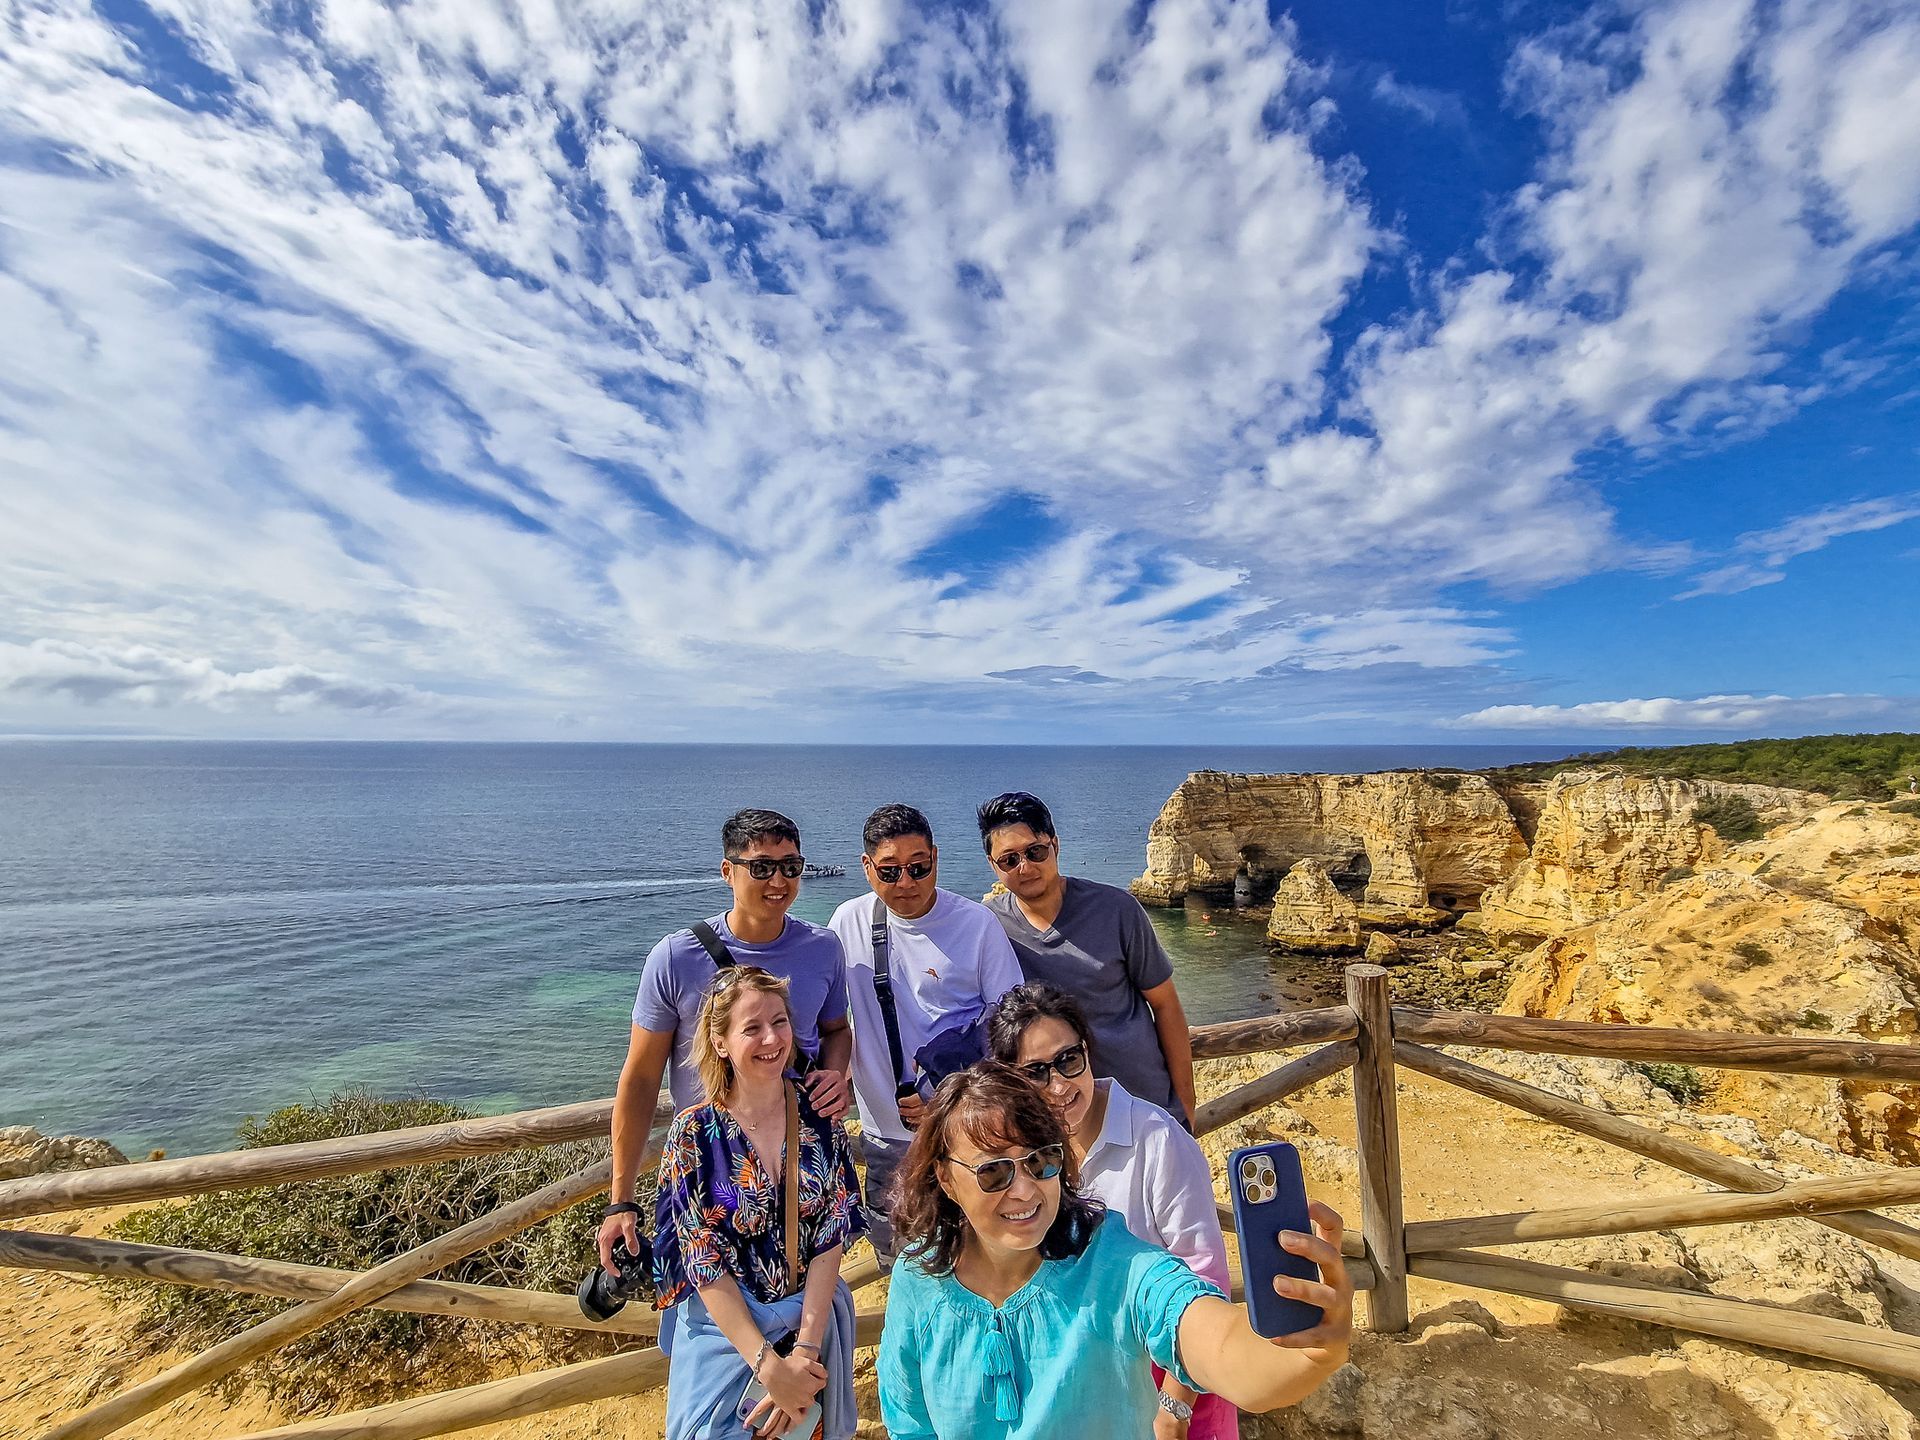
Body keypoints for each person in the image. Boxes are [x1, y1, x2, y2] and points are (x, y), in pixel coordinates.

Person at [876, 1063, 1352, 1439]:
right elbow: (910, 1425)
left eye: (1041, 1161)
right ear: (945, 1179)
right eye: (994, 1172)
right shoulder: (918, 1279)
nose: (1023, 1190)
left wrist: (1310, 1354)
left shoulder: (1114, 1262)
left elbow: (1216, 1343)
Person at [601, 808, 854, 1276]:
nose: (778, 880)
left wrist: (835, 1075)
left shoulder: (824, 948)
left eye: (791, 866)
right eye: (761, 867)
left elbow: (836, 1030)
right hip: (707, 1164)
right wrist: (622, 1199)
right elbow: (640, 1080)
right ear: (727, 871)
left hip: (800, 1160)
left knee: (803, 1296)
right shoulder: (674, 957)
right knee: (703, 1304)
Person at [989, 983, 1236, 1440]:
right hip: (1081, 1394)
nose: (1059, 1086)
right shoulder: (1024, 1159)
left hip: (1172, 1386)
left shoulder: (1157, 1140)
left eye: (1068, 1060)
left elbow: (1206, 1277)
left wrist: (1173, 1409)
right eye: (1036, 1072)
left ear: (1088, 1050)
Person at [652, 966, 868, 1440]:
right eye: (752, 1028)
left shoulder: (820, 1116)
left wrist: (804, 1352)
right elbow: (702, 1263)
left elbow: (831, 1235)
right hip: (728, 1344)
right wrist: (769, 1368)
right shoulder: (693, 1134)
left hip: (807, 1337)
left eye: (779, 1021)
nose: (772, 1039)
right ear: (721, 1042)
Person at [827, 804, 1024, 1266]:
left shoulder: (975, 924)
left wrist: (943, 1090)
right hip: (886, 1138)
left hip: (968, 1131)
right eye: (889, 871)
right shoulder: (847, 924)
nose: (906, 882)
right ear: (867, 867)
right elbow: (823, 1016)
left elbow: (1013, 1024)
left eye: (919, 867)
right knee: (902, 1268)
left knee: (984, 1264)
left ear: (936, 857)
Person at [978, 791, 1198, 1124]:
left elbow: (1165, 1004)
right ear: (993, 865)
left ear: (1055, 845)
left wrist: (1185, 1106)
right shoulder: (989, 928)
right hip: (1057, 1121)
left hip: (1144, 1106)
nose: (1025, 867)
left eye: (1035, 851)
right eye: (1009, 860)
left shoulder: (1117, 910)